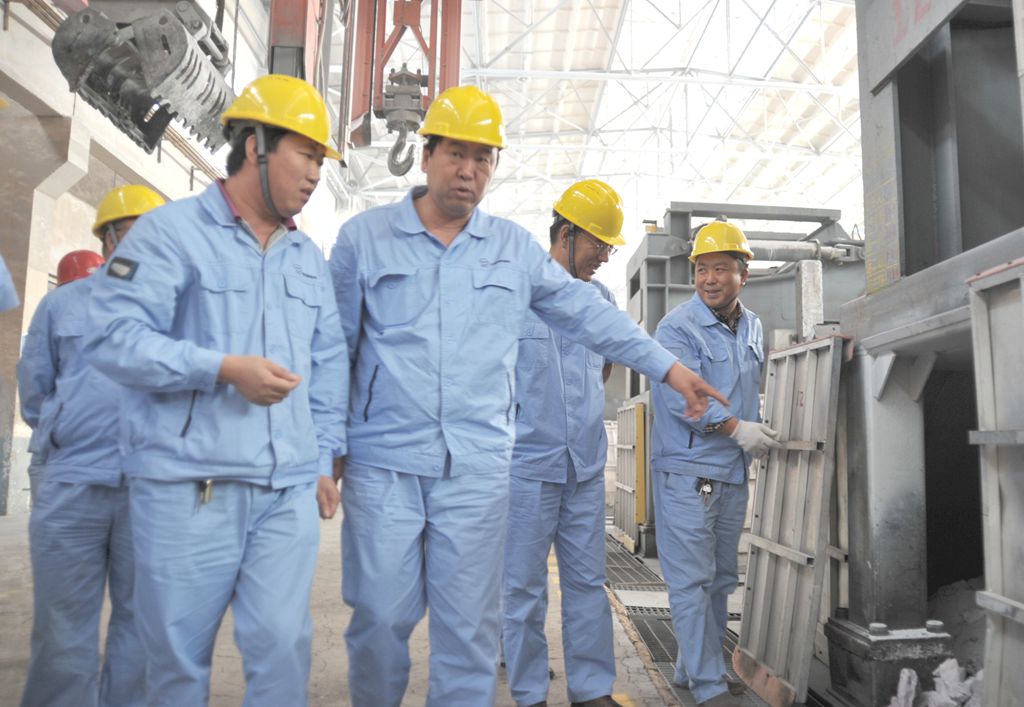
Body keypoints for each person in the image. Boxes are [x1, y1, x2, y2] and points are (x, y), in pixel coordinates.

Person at [328, 84, 727, 707]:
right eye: (456, 153)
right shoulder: (368, 241)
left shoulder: (529, 263)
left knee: (522, 610)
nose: (469, 169)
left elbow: (599, 333)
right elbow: (334, 350)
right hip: (458, 465)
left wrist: (670, 369)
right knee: (421, 611)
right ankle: (516, 688)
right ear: (427, 155)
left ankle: (582, 690)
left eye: (483, 157)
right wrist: (327, 447)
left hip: (531, 467)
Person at [83, 74, 348, 706]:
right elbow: (112, 337)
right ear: (256, 147)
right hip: (189, 489)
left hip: (284, 492)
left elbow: (329, 361)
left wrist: (321, 458)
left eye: (321, 160)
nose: (316, 174)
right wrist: (221, 368)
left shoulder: (306, 258)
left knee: (283, 649)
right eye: (306, 155)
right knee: (174, 663)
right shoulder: (170, 234)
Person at [17, 186, 163, 707]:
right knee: (62, 628)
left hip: (150, 489)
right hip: (73, 485)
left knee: (142, 627)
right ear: (108, 238)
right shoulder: (62, 305)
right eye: (135, 233)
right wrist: (70, 430)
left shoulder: (179, 310)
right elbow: (35, 392)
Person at [502, 179, 628, 707]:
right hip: (528, 470)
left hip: (584, 469)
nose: (604, 256)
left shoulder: (601, 300)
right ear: (566, 233)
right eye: (599, 243)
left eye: (609, 247)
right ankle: (530, 691)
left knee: (587, 584)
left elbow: (605, 366)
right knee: (523, 589)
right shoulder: (516, 295)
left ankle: (592, 690)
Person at [651, 218, 780, 707]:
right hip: (689, 473)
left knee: (722, 579)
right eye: (702, 269)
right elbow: (681, 400)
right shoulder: (676, 328)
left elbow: (748, 389)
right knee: (691, 581)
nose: (709, 279)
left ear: (743, 274)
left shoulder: (753, 326)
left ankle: (692, 668)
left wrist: (755, 426)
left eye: (720, 268)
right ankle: (708, 687)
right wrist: (737, 429)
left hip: (731, 470)